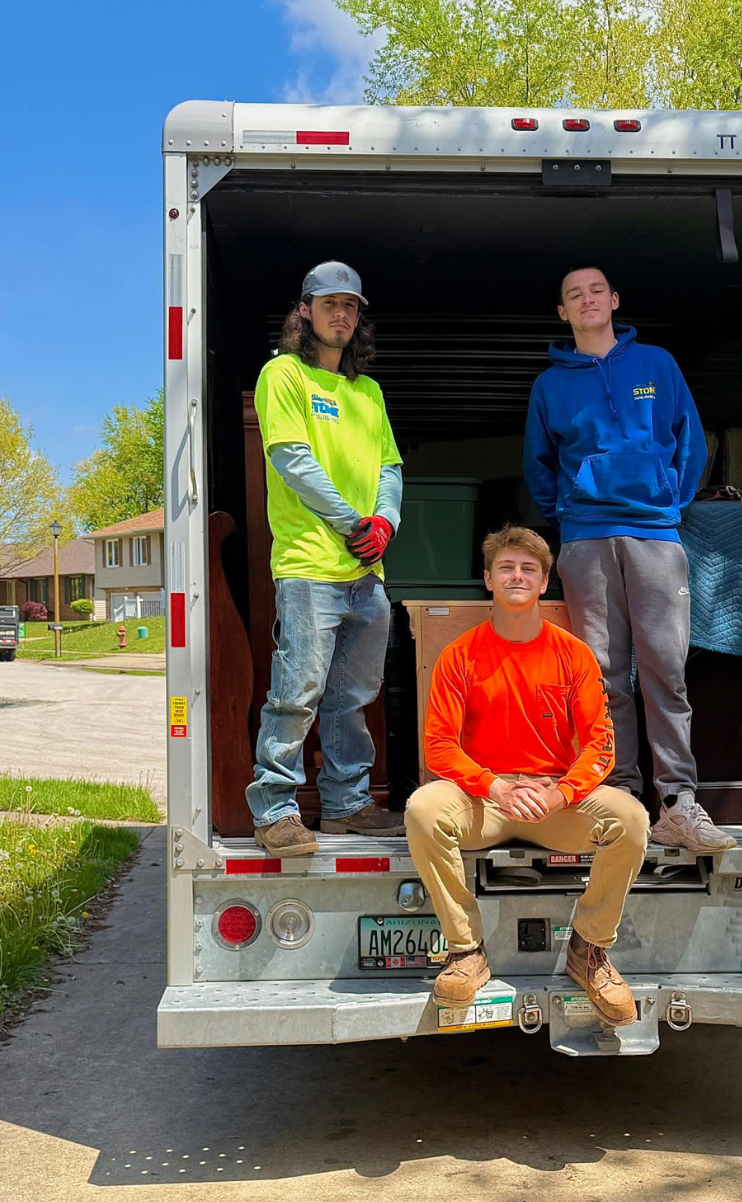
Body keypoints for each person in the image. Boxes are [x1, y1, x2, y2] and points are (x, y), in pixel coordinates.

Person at [523, 263, 734, 854]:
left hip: (656, 535)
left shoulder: (657, 364)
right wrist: (570, 514)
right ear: (563, 312)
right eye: (574, 295)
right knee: (603, 675)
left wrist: (670, 503)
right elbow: (539, 464)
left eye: (597, 290)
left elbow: (690, 439)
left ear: (614, 299)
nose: (587, 300)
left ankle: (678, 804)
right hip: (586, 539)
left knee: (667, 670)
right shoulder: (550, 385)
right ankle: (619, 797)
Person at [404, 525, 648, 1025]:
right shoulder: (459, 655)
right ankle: (465, 952)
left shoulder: (573, 654)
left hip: (550, 800)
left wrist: (560, 795)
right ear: (488, 580)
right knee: (422, 809)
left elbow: (601, 746)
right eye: (506, 568)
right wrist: (495, 786)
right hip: (484, 800)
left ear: (544, 583)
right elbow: (439, 748)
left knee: (630, 818)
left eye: (528, 569)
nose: (517, 576)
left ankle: (589, 950)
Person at [245, 261, 406, 856]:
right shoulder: (283, 374)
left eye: (351, 306)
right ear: (305, 311)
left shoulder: (368, 392)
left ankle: (346, 805)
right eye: (330, 303)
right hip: (310, 563)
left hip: (367, 569)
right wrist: (352, 523)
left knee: (353, 698)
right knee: (298, 692)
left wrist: (385, 523)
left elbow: (390, 468)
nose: (341, 314)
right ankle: (275, 810)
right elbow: (292, 459)